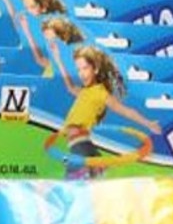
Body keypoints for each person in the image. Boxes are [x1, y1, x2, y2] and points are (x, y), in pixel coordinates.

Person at [51, 45, 160, 175]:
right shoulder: (85, 91)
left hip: (79, 143)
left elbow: (126, 111)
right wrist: (58, 59)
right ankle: (100, 168)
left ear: (95, 69)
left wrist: (148, 123)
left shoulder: (101, 93)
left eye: (85, 68)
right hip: (82, 145)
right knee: (92, 171)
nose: (81, 74)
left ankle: (97, 169)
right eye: (78, 69)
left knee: (73, 176)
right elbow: (70, 88)